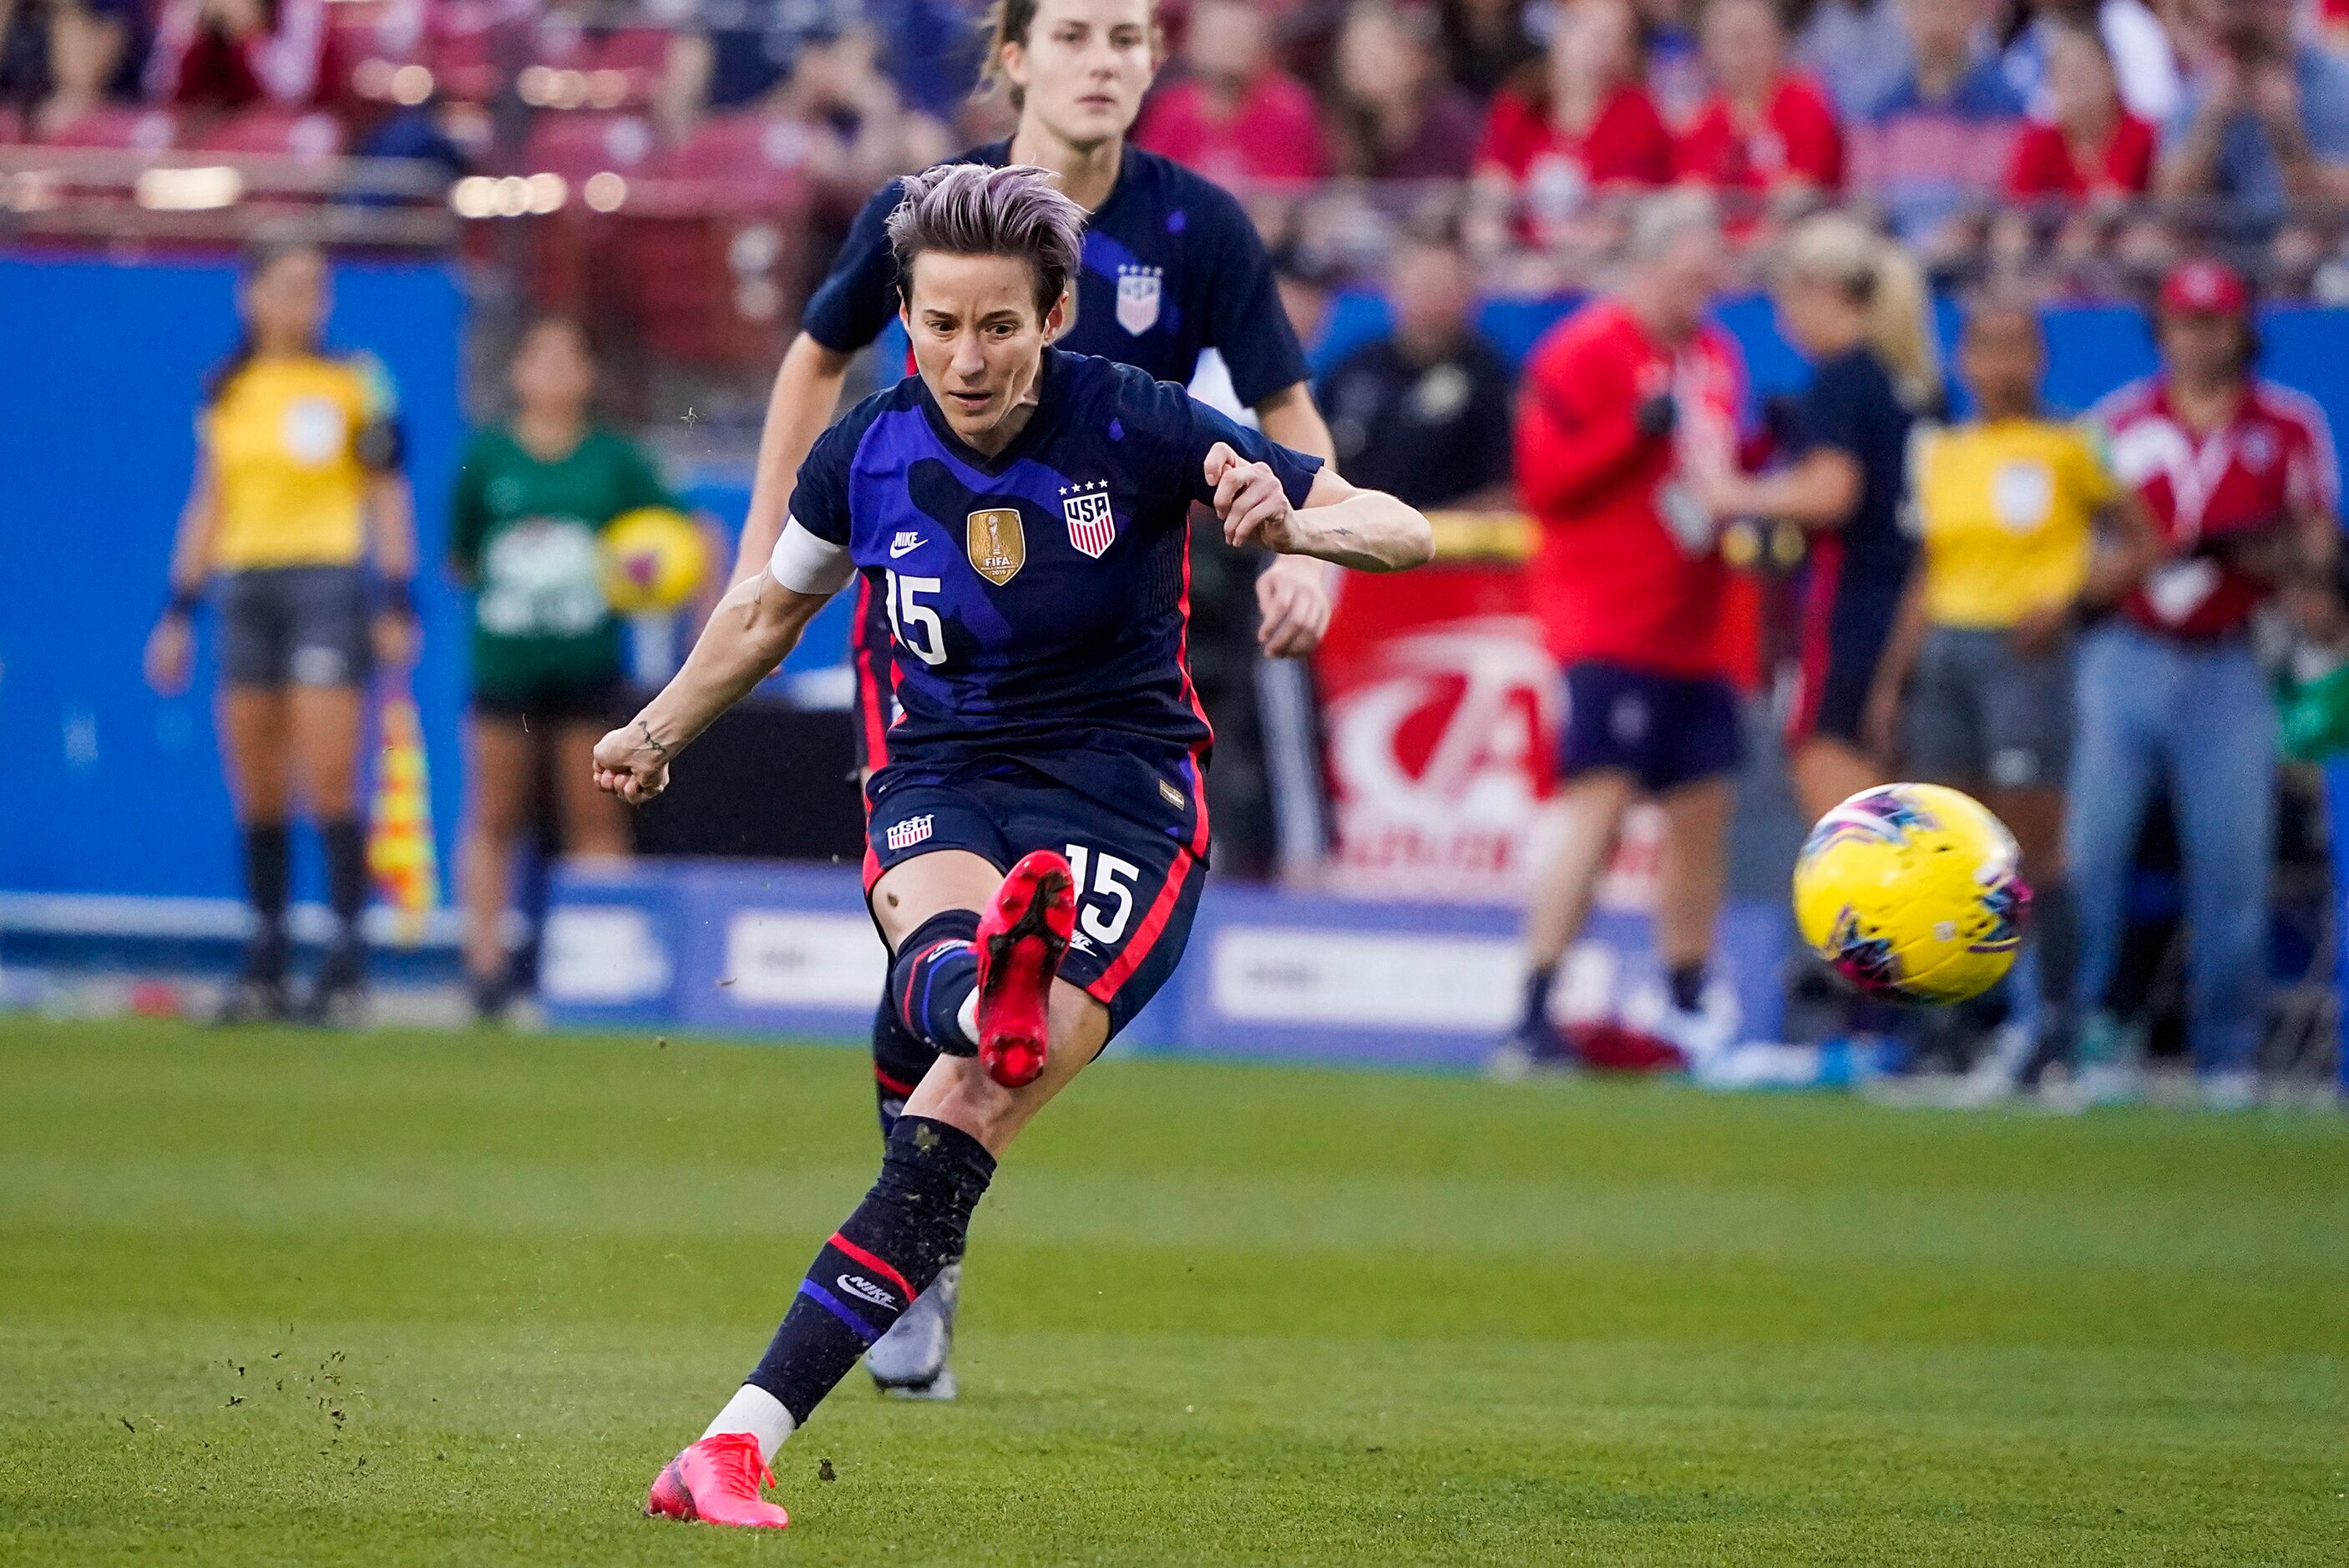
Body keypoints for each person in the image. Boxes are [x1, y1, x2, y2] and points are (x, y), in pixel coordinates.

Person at [599, 162, 1431, 1530]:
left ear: (1053, 316)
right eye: (936, 325)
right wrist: (659, 725)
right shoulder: (862, 448)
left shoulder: (1144, 420)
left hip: (1119, 800)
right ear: (905, 320)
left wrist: (1300, 524)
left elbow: (1395, 525)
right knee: (949, 966)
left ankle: (733, 1434)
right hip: (940, 773)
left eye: (997, 326)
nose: (965, 357)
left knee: (965, 1108)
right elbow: (764, 614)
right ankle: (989, 988)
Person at [722, 0, 1340, 1404]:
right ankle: (920, 1245)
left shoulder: (1200, 232)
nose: (1103, 60)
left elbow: (1284, 409)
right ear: (1011, 58)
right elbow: (814, 357)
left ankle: (911, 1226)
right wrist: (771, 550)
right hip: (935, 655)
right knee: (934, 954)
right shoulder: (918, 215)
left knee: (989, 1017)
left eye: (1128, 35)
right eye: (1072, 32)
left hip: (1110, 664)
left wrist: (1313, 550)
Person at [1866, 297, 2161, 1079]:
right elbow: (1926, 571)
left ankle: (2054, 1030)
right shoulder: (1941, 450)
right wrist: (1892, 681)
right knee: (1943, 848)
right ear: (1962, 362)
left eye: (2017, 347)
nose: (2002, 366)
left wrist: (2071, 600)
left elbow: (2143, 539)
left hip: (2023, 654)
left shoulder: (2071, 443)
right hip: (1947, 650)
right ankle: (1944, 1033)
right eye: (1986, 349)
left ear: (2040, 358)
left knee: (2034, 848)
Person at [2073, 258, 2339, 1108]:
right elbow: (2077, 556)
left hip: (2230, 653)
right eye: (2184, 324)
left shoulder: (2285, 426)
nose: (2198, 340)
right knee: (2091, 853)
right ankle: (2090, 1029)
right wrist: (2135, 562)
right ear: (2163, 332)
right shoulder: (2116, 423)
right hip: (2127, 649)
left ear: (2239, 330)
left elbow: (2315, 546)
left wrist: (2259, 553)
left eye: (2212, 323)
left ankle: (2227, 1052)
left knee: (2230, 865)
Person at [1502, 190, 1749, 1073]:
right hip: (1606, 617)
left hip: (1694, 622)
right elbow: (1544, 479)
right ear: (1643, 268)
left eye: (1708, 279)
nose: (1699, 294)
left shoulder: (1715, 356)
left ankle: (1687, 996)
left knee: (1699, 811)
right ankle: (1533, 1000)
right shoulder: (1584, 352)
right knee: (1597, 808)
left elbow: (1716, 470)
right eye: (1685, 277)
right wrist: (1627, 436)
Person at [144, 243, 418, 1025]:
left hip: (328, 583)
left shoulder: (356, 380)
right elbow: (210, 501)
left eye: (316, 291)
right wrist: (177, 610)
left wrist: (397, 599)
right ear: (251, 297)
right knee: (257, 783)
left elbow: (387, 494)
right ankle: (264, 959)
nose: (305, 305)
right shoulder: (228, 390)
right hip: (245, 589)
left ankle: (344, 962)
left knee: (330, 776)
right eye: (289, 288)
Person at [448, 319, 678, 1021]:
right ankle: (484, 969)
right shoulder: (486, 460)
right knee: (494, 814)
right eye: (537, 359)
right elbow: (460, 558)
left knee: (596, 817)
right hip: (506, 667)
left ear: (588, 375)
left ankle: (599, 971)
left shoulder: (616, 463)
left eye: (566, 360)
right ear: (516, 373)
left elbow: (681, 539)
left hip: (589, 670)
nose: (551, 375)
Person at [1693, 212, 1936, 826]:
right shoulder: (1904, 381)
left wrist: (1731, 494)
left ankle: (1871, 918)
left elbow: (1832, 492)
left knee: (1832, 773)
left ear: (1821, 292)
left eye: (1787, 299)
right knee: (1880, 771)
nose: (1782, 320)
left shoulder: (1843, 379)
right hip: (1905, 601)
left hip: (1849, 603)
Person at [1316, 221, 1516, 510]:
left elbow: (1506, 490)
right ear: (1394, 286)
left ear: (1470, 292)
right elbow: (1313, 463)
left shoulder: (1492, 379)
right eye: (1421, 281)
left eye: (1443, 283)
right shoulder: (1354, 369)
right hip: (1351, 539)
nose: (1431, 296)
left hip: (1453, 546)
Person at [1471, 0, 1673, 248]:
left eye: (1615, 40)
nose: (1600, 49)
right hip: (1518, 264)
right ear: (1561, 32)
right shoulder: (1519, 103)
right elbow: (1488, 199)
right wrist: (1497, 253)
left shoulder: (1637, 112)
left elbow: (1618, 217)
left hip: (1602, 264)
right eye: (1591, 33)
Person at [2156, 0, 2349, 231]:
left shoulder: (2337, 82)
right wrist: (2211, 122)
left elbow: (2336, 211)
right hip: (2224, 248)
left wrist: (2284, 125)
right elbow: (2168, 212)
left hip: (2313, 248)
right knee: (2146, 248)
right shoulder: (2201, 91)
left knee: (2298, 249)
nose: (2251, 20)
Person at [1853, 0, 2027, 249]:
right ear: (1905, 15)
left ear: (1976, 13)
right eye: (1927, 8)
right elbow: (1865, 190)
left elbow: (1990, 193)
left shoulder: (2001, 103)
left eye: (1950, 8)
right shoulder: (1879, 103)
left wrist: (1951, 239)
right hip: (1890, 254)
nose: (1938, 23)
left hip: (1973, 257)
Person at [1674, 0, 1845, 220]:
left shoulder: (1804, 100)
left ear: (1777, 40)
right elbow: (1693, 188)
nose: (1741, 55)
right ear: (1709, 51)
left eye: (1749, 40)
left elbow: (1807, 182)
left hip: (1800, 228)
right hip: (1720, 241)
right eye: (1729, 42)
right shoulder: (1700, 121)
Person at [1130, 0, 1328, 184]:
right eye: (1218, 37)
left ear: (1262, 46)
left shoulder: (1289, 111)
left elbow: (1290, 200)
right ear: (1191, 43)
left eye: (1238, 37)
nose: (1227, 49)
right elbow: (1151, 191)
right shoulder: (1171, 111)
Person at [1321, 0, 1485, 181]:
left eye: (1379, 54)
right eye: (1357, 52)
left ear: (1417, 57)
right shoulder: (1337, 124)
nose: (1365, 65)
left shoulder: (1453, 121)